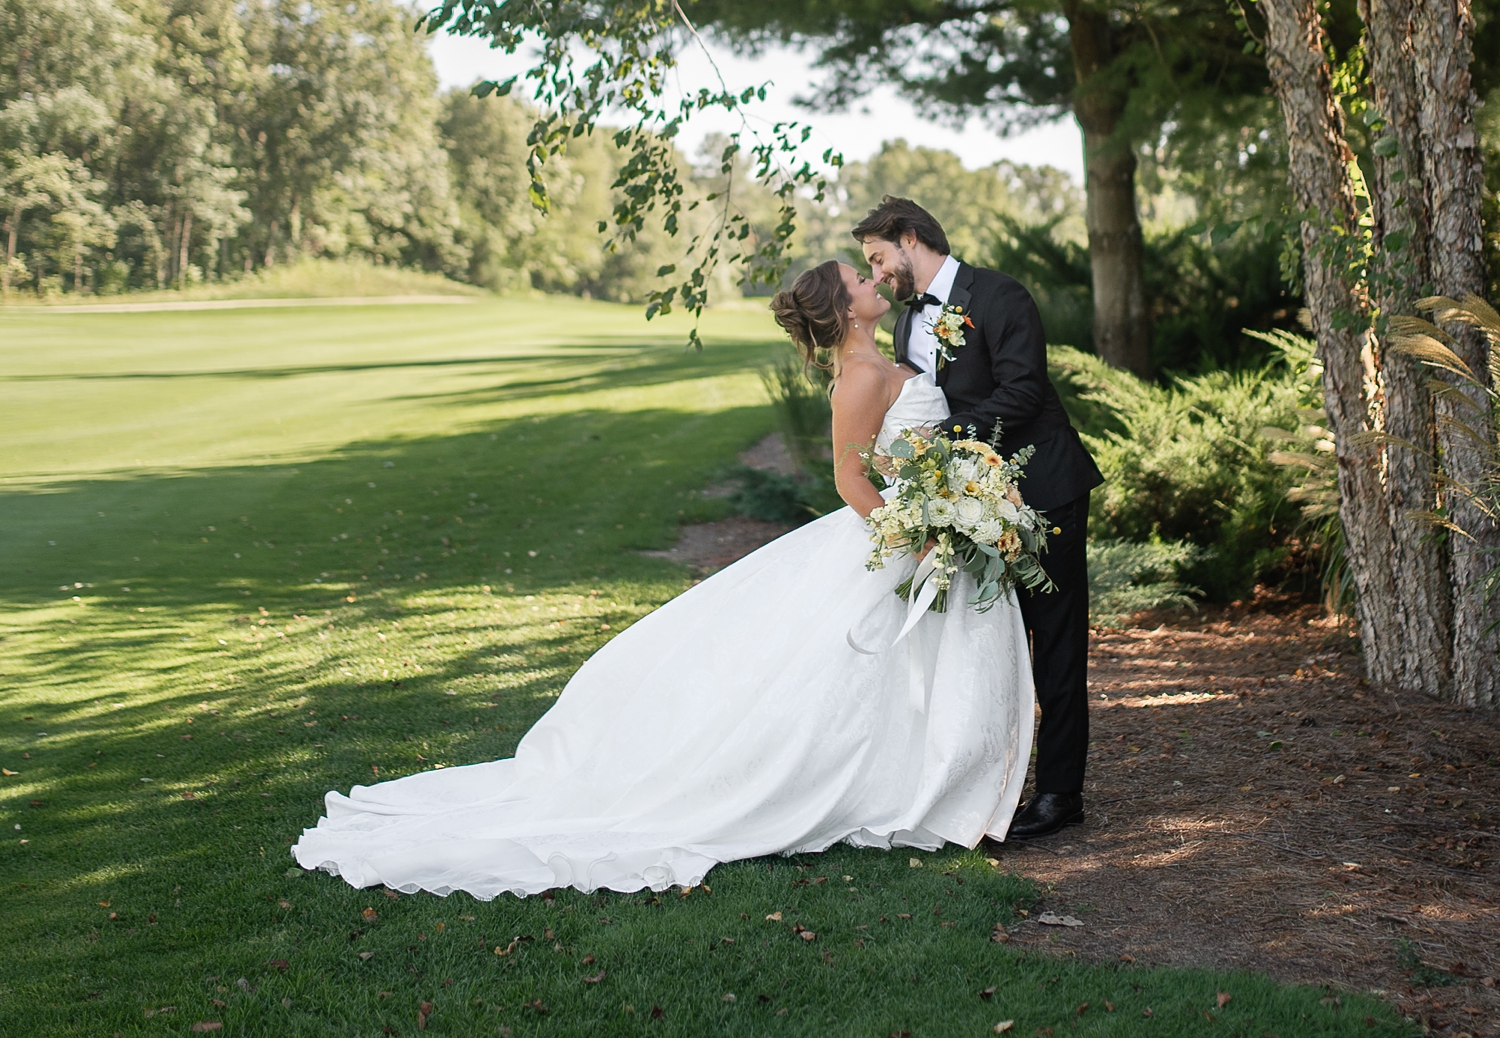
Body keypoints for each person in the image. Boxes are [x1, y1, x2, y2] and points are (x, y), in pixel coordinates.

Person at [291, 260, 1032, 899]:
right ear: (841, 311)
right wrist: (913, 536)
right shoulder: (864, 374)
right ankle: (888, 790)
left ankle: (922, 786)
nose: (870, 280)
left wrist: (951, 498)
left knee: (892, 673)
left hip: (926, 524)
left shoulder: (885, 357)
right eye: (855, 279)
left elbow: (899, 459)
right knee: (848, 675)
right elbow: (848, 476)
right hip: (896, 539)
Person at [853, 194, 1103, 844]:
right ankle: (984, 783)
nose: (878, 275)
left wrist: (943, 437)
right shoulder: (910, 323)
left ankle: (1059, 793)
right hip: (963, 503)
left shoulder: (1001, 296)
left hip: (1042, 489)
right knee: (983, 648)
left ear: (909, 237)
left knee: (1055, 639)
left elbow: (1022, 390)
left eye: (879, 259)